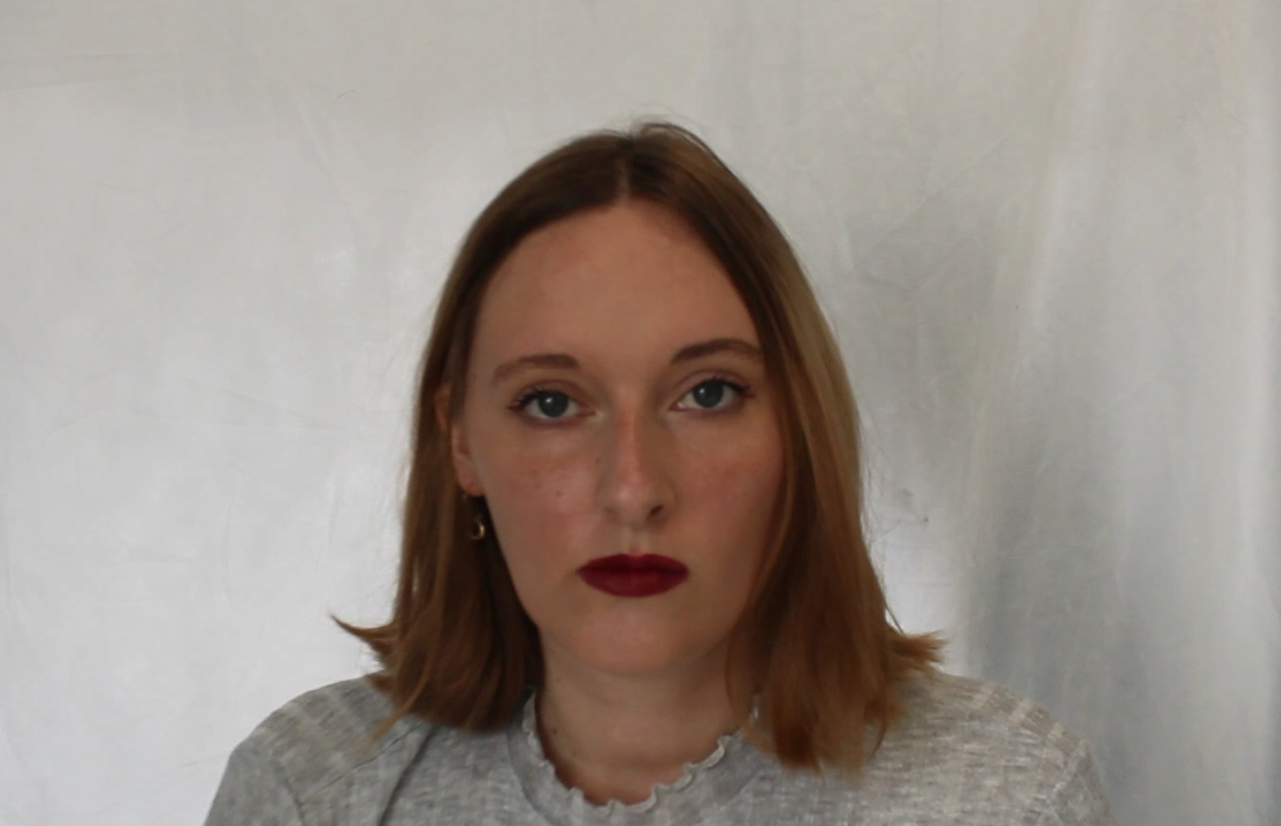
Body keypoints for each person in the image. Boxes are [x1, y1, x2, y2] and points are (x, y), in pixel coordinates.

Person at [204, 121, 1110, 825]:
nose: (634, 489)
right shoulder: (309, 790)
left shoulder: (1004, 797)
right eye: (551, 403)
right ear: (461, 443)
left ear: (800, 430)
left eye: (707, 394)